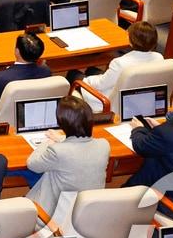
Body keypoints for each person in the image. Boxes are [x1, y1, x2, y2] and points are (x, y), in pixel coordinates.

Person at [24, 96, 109, 224]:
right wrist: (61, 139)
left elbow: (32, 164)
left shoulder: (57, 151)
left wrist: (48, 142)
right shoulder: (104, 145)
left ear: (62, 124)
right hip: (88, 215)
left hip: (54, 217)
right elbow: (78, 150)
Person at [76, 21, 162, 101]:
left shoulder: (120, 63)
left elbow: (101, 85)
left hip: (109, 100)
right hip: (140, 97)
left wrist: (87, 80)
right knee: (91, 70)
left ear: (131, 41)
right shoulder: (159, 58)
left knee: (74, 75)